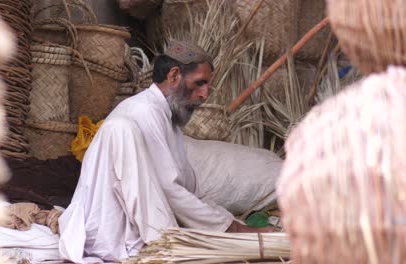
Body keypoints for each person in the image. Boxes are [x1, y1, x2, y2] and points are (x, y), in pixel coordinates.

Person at [58, 40, 270, 263]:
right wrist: (232, 231)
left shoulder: (169, 120)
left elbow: (189, 190)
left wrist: (231, 224)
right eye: (199, 83)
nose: (205, 94)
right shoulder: (144, 112)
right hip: (112, 232)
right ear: (174, 76)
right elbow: (171, 192)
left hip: (144, 226)